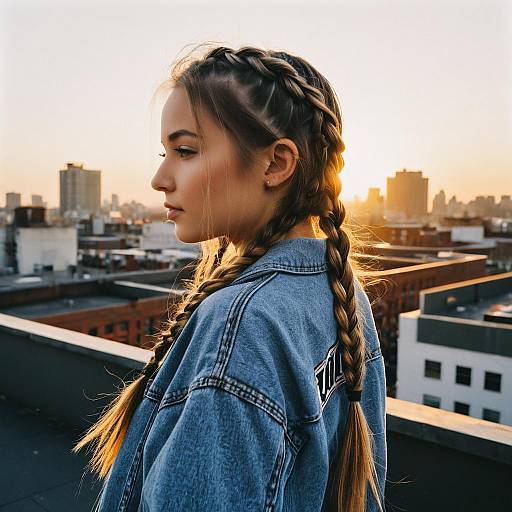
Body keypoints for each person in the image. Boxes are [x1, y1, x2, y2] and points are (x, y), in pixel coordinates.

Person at [73, 44, 387, 512]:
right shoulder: (341, 292)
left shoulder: (241, 325)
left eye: (185, 150)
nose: (160, 177)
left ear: (276, 164)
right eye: (165, 152)